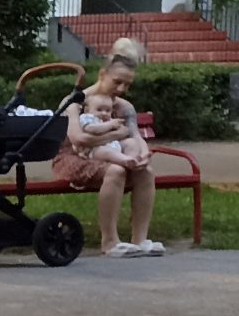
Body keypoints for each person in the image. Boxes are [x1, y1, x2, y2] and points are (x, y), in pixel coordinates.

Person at [55, 38, 163, 256]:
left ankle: (140, 240)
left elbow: (135, 136)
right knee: (116, 170)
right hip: (75, 157)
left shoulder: (124, 107)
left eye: (128, 84)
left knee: (146, 172)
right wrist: (116, 134)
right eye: (117, 82)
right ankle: (110, 241)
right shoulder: (76, 101)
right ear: (102, 74)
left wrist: (144, 154)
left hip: (113, 154)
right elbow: (78, 140)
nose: (122, 89)